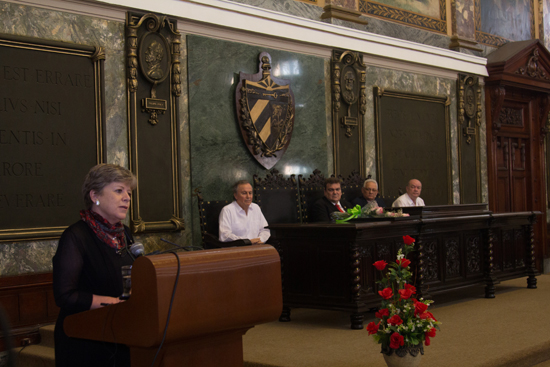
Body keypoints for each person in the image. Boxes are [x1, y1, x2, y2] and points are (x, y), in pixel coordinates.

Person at [52, 164, 137, 367]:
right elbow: (64, 295)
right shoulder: (75, 236)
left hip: (119, 334)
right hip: (84, 342)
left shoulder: (124, 234)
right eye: (119, 190)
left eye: (129, 192)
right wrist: (114, 303)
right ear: (94, 196)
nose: (127, 197)